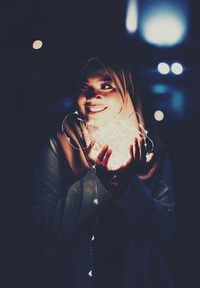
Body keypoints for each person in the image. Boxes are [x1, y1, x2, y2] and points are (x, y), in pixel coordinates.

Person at [31, 57, 176, 288]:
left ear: (126, 90)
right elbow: (44, 229)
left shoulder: (150, 150)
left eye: (106, 86)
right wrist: (101, 182)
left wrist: (128, 185)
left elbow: (161, 232)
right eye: (84, 87)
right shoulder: (62, 144)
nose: (92, 96)